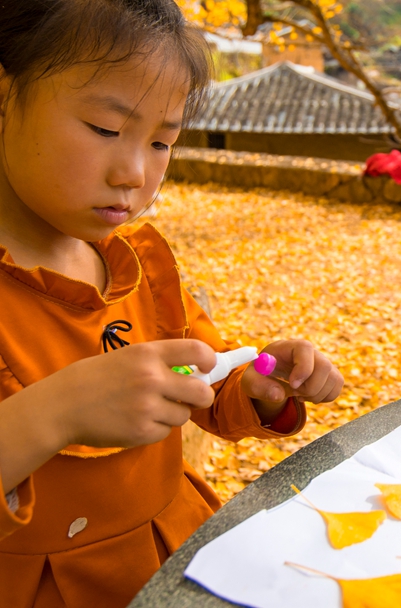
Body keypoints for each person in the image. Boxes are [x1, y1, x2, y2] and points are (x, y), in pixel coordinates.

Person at [0, 1, 344, 606]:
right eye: (105, 130)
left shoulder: (139, 264)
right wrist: (53, 413)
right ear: (6, 94)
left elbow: (202, 372)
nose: (134, 172)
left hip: (173, 552)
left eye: (162, 141)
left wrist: (256, 383)